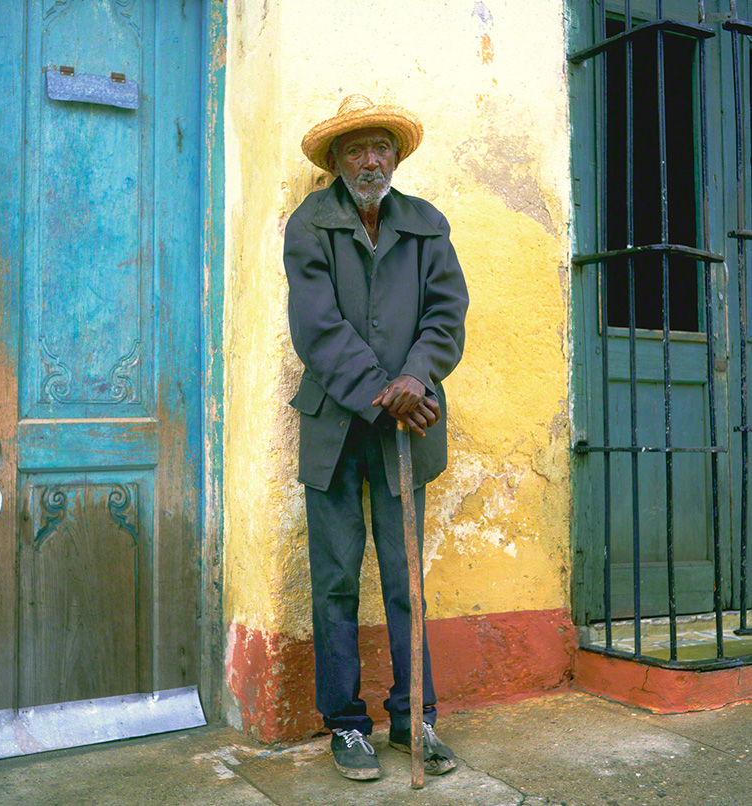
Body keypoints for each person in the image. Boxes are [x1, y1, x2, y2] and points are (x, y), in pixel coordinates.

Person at [283, 94, 468, 781]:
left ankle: (412, 716)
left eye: (381, 147)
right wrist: (382, 391)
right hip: (337, 422)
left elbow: (447, 314)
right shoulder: (310, 225)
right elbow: (317, 327)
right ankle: (348, 725)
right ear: (335, 161)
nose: (370, 160)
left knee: (404, 578)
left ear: (396, 156)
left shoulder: (426, 225)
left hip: (407, 422)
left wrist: (416, 378)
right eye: (356, 149)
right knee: (335, 581)